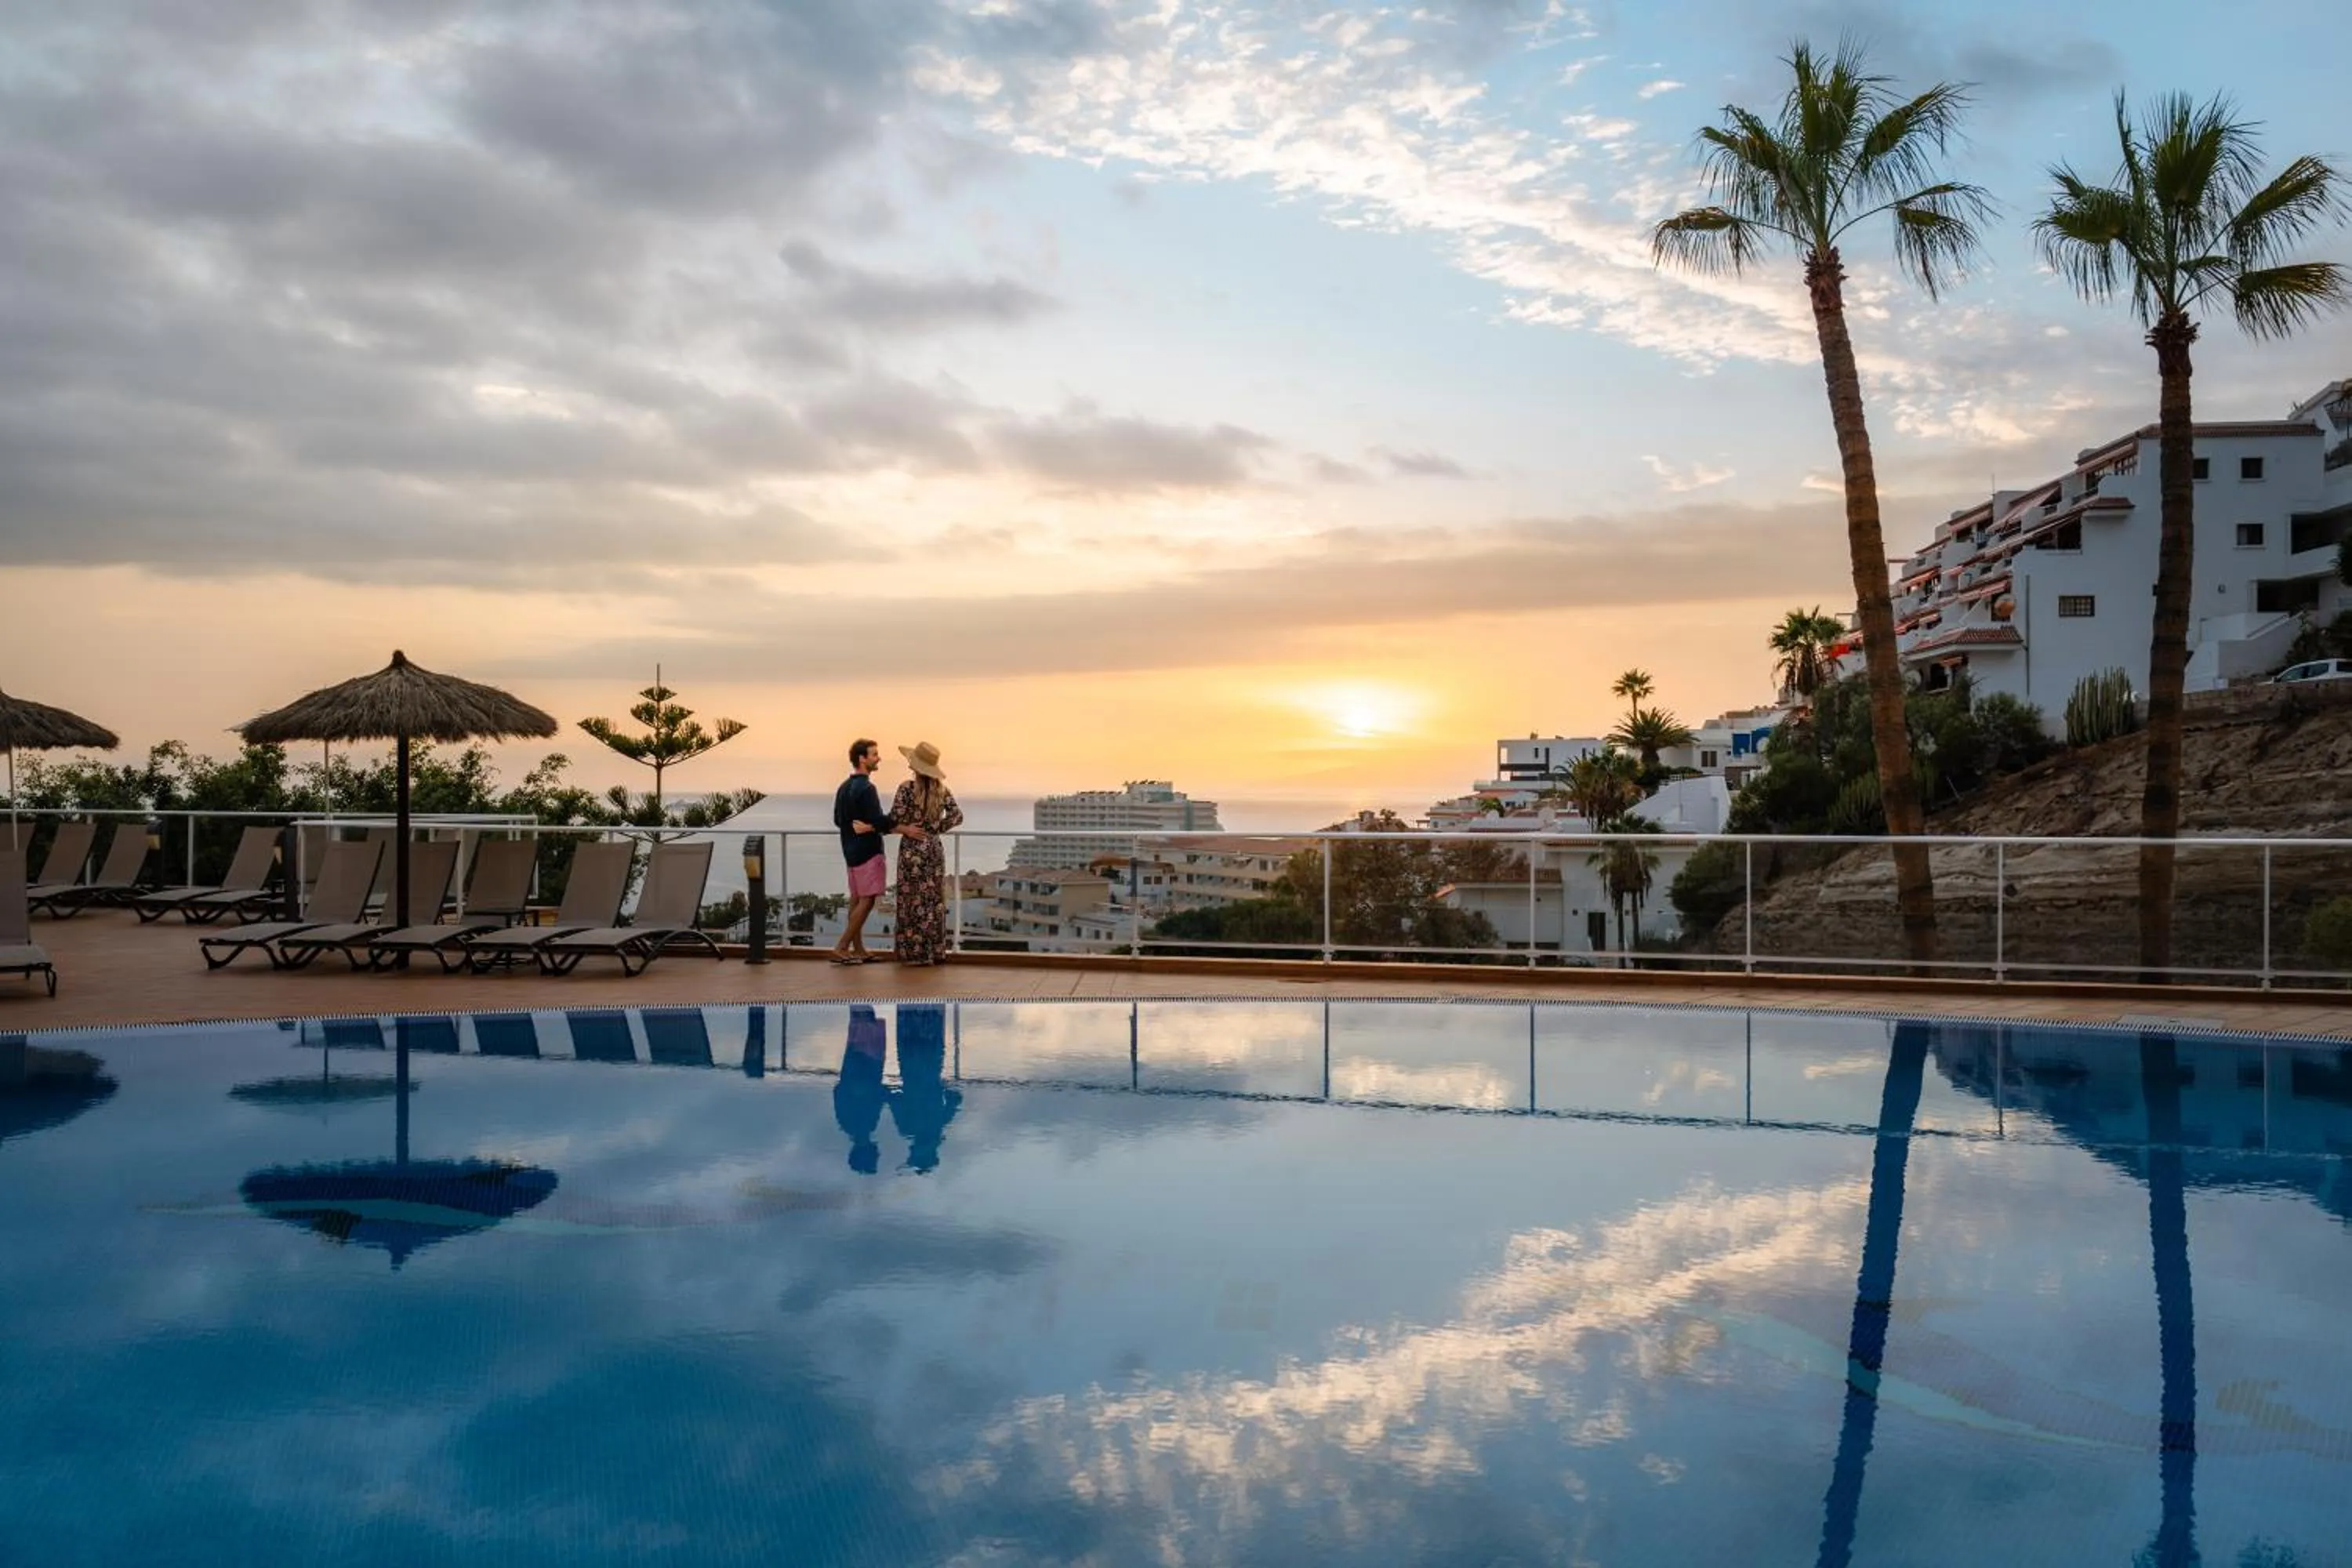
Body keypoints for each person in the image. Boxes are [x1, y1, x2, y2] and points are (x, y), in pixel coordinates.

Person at [832, 739, 922, 966]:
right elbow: (880, 820)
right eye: (874, 755)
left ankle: (858, 948)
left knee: (857, 897)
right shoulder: (867, 788)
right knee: (868, 900)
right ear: (862, 759)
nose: (878, 758)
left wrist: (860, 828)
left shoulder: (844, 787)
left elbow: (837, 820)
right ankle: (842, 946)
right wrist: (901, 825)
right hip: (869, 851)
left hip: (850, 852)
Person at [887, 741, 964, 966]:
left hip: (912, 850)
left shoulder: (907, 789)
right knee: (933, 901)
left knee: (911, 900)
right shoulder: (942, 791)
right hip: (933, 850)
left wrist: (910, 829)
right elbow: (957, 816)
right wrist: (935, 830)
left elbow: (893, 821)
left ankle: (913, 953)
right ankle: (935, 951)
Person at [888, 1004, 960, 1173]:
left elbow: (955, 1097)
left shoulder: (939, 1122)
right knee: (910, 1009)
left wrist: (942, 1088)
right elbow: (894, 1098)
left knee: (929, 1009)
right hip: (911, 1062)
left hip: (930, 1060)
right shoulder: (906, 1127)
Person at [833, 1005, 888, 1174]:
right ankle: (860, 996)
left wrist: (866, 1090)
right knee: (863, 1023)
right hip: (864, 1064)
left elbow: (841, 1092)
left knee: (863, 1024)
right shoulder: (860, 1126)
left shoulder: (857, 1124)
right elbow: (838, 1092)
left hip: (863, 1064)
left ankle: (860, 995)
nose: (879, 1153)